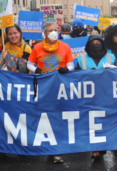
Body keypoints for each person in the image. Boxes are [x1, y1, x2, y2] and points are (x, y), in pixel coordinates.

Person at [27, 23, 73, 164]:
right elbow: (29, 64)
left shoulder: (65, 47)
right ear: (45, 34)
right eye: (50, 30)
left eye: (55, 30)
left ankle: (58, 150)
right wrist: (36, 71)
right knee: (45, 118)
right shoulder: (37, 47)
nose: (54, 32)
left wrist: (67, 69)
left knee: (58, 118)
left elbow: (71, 64)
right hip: (43, 87)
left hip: (60, 87)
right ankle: (47, 147)